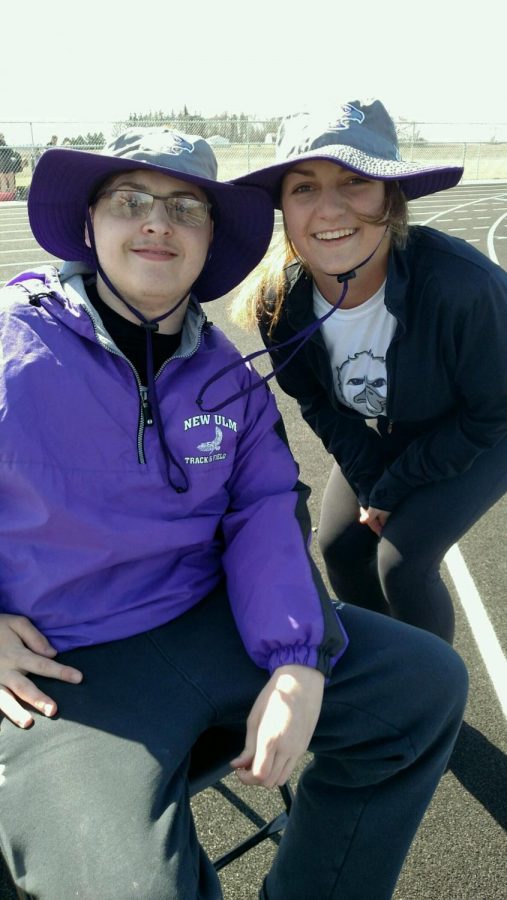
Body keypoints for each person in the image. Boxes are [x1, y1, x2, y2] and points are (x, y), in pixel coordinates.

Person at [0, 127, 467, 900]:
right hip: (65, 668)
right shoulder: (11, 346)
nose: (157, 222)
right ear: (90, 227)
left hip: (207, 622)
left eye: (186, 207)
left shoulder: (229, 376)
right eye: (130, 201)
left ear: (209, 241)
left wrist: (295, 660)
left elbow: (263, 513)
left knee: (423, 684)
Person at [227, 99, 507, 644]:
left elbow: (491, 415)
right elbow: (316, 402)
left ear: (391, 197)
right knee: (340, 547)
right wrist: (370, 477)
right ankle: (388, 668)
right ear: (283, 206)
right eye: (304, 187)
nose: (328, 210)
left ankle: (431, 703)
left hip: (485, 428)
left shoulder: (462, 287)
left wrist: (393, 486)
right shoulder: (277, 302)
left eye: (355, 181)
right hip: (397, 425)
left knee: (403, 562)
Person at [0, 133, 22, 200]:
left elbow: (12, 153)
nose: (3, 138)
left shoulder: (5, 146)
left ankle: (6, 197)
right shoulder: (4, 145)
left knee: (6, 183)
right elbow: (12, 153)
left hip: (4, 167)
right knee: (7, 183)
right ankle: (8, 197)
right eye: (2, 137)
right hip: (5, 167)